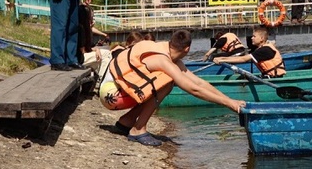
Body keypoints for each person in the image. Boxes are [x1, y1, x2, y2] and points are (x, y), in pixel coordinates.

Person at [99, 30, 246, 146]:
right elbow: (192, 89)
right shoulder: (163, 60)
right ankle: (138, 129)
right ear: (187, 48)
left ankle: (126, 121)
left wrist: (230, 100)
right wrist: (228, 104)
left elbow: (198, 83)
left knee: (163, 80)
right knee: (167, 81)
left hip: (114, 90)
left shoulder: (165, 50)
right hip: (112, 95)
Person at [213, 27, 286, 78]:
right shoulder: (262, 48)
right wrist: (221, 58)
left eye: (254, 36)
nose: (251, 38)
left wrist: (222, 60)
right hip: (269, 76)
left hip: (274, 77)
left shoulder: (265, 50)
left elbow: (243, 59)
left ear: (261, 38)